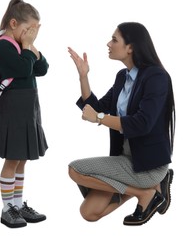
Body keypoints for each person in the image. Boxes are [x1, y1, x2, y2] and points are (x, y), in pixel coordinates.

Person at [67, 22, 175, 226]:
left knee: (75, 170)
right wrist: (83, 77)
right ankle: (148, 192)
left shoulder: (156, 77)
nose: (109, 43)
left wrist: (99, 119)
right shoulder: (122, 77)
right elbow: (98, 108)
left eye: (114, 40)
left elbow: (142, 123)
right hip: (125, 160)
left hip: (147, 165)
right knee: (89, 213)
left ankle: (148, 191)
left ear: (131, 47)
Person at [0, 0, 49, 228]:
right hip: (13, 107)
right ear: (13, 24)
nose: (30, 35)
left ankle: (18, 203)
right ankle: (7, 209)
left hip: (29, 107)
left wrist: (32, 46)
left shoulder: (22, 46)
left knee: (22, 158)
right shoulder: (3, 45)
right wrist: (27, 48)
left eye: (34, 31)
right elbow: (24, 69)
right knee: (12, 158)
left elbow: (42, 69)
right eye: (28, 30)